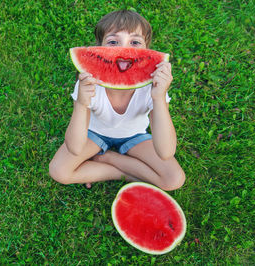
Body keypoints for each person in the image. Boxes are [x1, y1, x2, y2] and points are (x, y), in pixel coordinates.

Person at [49, 10, 185, 191]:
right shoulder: (90, 83)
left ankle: (107, 160)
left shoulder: (153, 86)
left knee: (174, 179)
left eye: (135, 42)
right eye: (113, 42)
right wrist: (81, 103)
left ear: (147, 50)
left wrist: (159, 98)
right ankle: (128, 174)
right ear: (99, 50)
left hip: (135, 136)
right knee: (59, 171)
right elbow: (74, 147)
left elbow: (166, 151)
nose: (124, 50)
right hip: (94, 134)